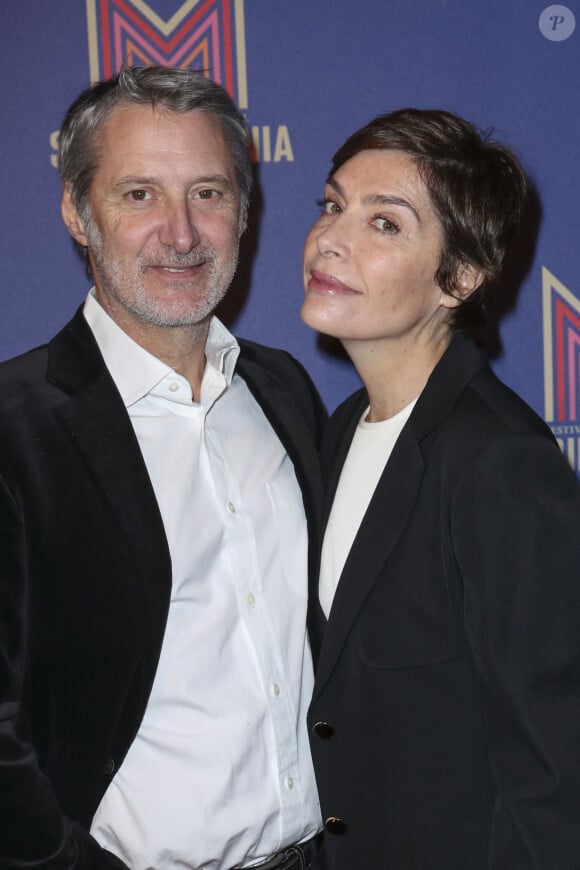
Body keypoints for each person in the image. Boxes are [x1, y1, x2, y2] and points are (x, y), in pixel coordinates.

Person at [0, 65, 326, 870]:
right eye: (139, 194)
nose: (180, 234)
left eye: (208, 194)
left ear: (244, 214)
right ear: (78, 212)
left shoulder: (282, 391)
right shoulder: (14, 429)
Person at [301, 108, 580, 869]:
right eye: (333, 205)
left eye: (384, 224)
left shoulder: (498, 464)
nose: (331, 237)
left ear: (459, 277)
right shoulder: (337, 430)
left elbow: (555, 775)